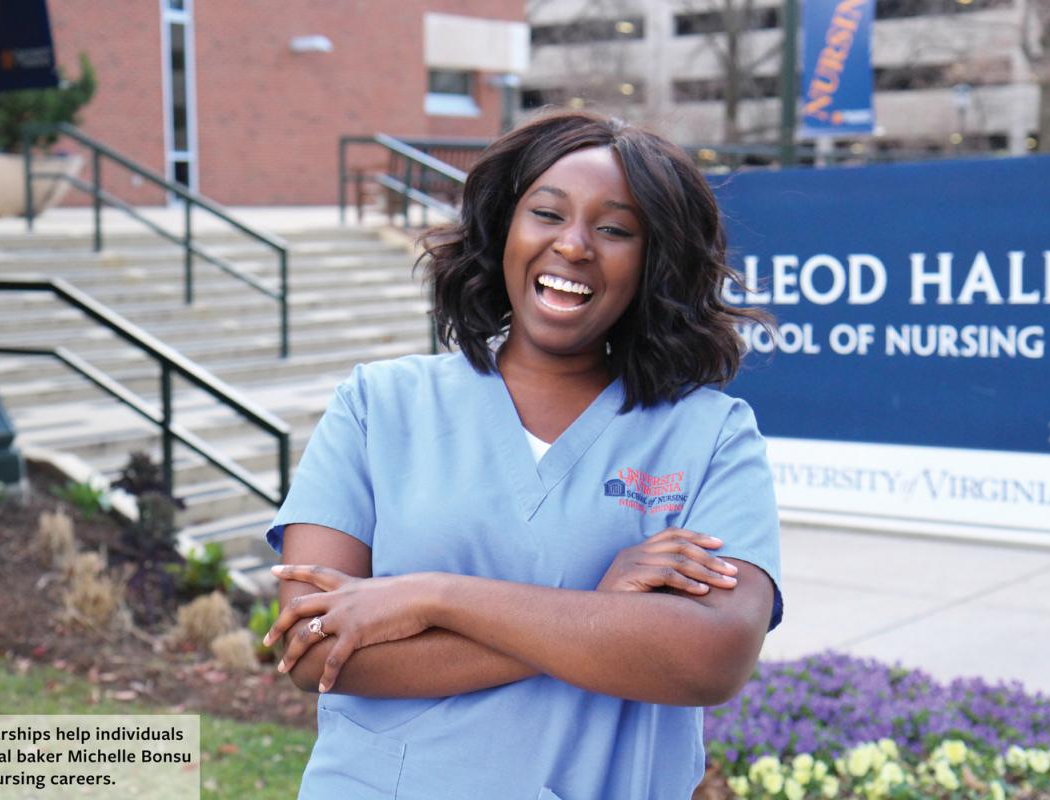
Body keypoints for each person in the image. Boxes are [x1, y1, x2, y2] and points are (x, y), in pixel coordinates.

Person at [263, 110, 783, 800]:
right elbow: (315, 649)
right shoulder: (378, 406)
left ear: (654, 262)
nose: (573, 245)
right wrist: (597, 614)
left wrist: (430, 596)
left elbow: (710, 659)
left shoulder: (710, 436)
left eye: (615, 228)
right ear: (506, 229)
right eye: (547, 213)